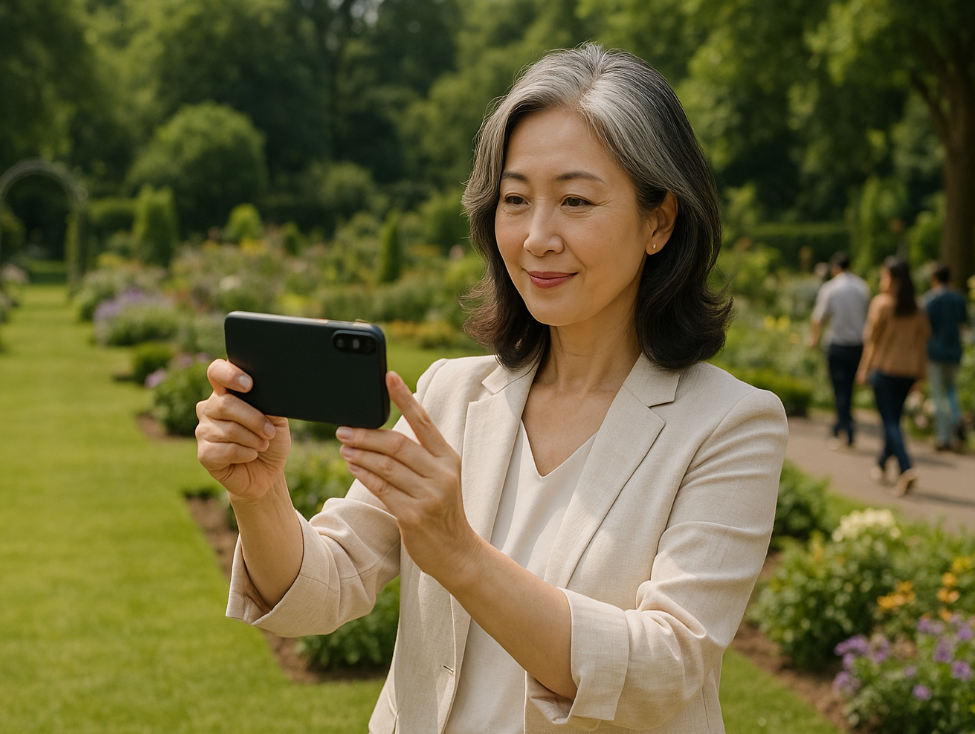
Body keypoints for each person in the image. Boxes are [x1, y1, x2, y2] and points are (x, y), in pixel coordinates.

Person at [196, 44, 787, 733]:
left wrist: (461, 556)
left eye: (575, 200)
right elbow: (322, 592)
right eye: (515, 200)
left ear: (659, 219)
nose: (537, 237)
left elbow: (666, 672)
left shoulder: (730, 425)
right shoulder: (450, 393)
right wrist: (260, 497)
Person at [856, 257, 930, 495]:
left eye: (885, 276)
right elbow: (922, 343)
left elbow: (871, 342)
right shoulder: (917, 308)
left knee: (890, 423)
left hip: (885, 371)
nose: (882, 280)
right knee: (894, 422)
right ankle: (880, 464)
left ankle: (906, 468)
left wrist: (864, 369)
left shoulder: (881, 304)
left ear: (894, 279)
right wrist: (921, 375)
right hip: (908, 373)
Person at [808, 252, 870, 449]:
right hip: (858, 345)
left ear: (835, 268)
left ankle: (845, 431)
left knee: (839, 389)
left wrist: (814, 339)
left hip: (837, 344)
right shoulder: (862, 287)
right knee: (848, 389)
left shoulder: (830, 288)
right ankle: (840, 427)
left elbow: (819, 317)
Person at [922, 262, 969, 452]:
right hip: (954, 351)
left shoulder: (929, 299)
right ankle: (957, 423)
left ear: (934, 278)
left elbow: (925, 328)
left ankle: (944, 437)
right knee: (951, 391)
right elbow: (964, 326)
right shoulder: (958, 298)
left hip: (935, 352)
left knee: (938, 395)